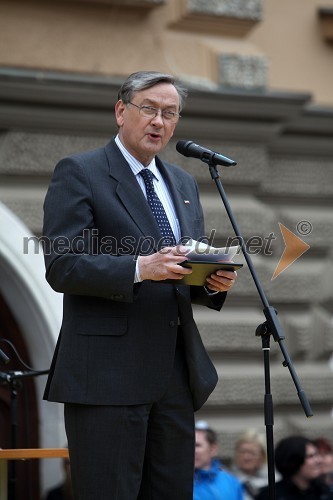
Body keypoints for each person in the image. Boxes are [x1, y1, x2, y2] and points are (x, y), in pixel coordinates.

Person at [42, 71, 237, 500]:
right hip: (107, 375)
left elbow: (178, 273)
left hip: (174, 374)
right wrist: (138, 267)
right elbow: (62, 264)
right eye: (148, 109)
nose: (159, 122)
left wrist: (211, 282)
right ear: (120, 112)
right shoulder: (81, 172)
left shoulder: (183, 183)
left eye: (170, 114)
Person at [255, 435, 333, 500]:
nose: (318, 460)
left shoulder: (324, 492)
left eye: (316, 454)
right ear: (294, 461)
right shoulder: (271, 495)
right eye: (310, 456)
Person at [194, 421, 243, 500]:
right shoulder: (176, 481)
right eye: (188, 445)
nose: (191, 450)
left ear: (213, 449)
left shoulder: (231, 482)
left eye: (197, 445)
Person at [231, 429, 269, 499]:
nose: (246, 457)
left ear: (262, 456)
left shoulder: (273, 481)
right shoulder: (227, 480)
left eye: (252, 453)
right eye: (242, 452)